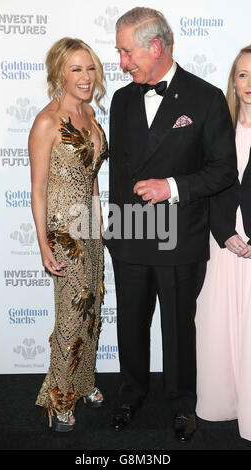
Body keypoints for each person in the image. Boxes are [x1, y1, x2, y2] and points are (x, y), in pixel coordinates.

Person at [105, 7, 238, 442]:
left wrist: (172, 186)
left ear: (155, 47)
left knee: (179, 328)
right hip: (130, 234)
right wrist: (114, 231)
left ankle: (183, 402)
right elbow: (120, 176)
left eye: (127, 52)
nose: (122, 62)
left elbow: (222, 171)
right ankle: (130, 394)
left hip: (180, 236)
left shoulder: (204, 98)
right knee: (130, 323)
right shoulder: (122, 99)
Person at [28, 37, 108, 432]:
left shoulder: (91, 113)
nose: (85, 76)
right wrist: (43, 243)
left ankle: (85, 382)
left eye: (90, 68)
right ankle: (59, 398)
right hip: (65, 236)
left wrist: (98, 217)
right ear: (59, 72)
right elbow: (39, 187)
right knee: (72, 317)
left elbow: (91, 176)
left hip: (90, 230)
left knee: (92, 312)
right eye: (76, 69)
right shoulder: (47, 121)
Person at [196, 45, 251, 441]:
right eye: (243, 74)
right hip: (224, 246)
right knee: (218, 327)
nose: (250, 83)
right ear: (233, 82)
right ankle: (225, 402)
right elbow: (211, 187)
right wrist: (225, 234)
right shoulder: (221, 129)